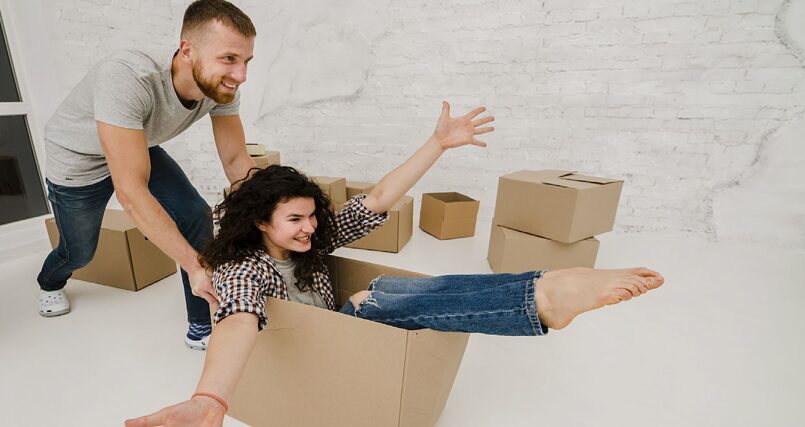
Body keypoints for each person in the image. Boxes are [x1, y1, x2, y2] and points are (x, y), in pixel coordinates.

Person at [124, 102, 666, 426]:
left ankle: (543, 293)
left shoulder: (311, 242)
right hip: (318, 352)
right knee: (375, 295)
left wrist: (438, 142)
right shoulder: (245, 268)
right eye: (295, 220)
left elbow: (379, 198)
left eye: (312, 216)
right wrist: (210, 398)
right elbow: (239, 316)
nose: (310, 228)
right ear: (261, 223)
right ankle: (542, 297)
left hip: (346, 335)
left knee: (378, 293)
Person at [35, 0, 256, 350]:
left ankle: (201, 325)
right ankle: (49, 283)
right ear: (187, 51)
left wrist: (271, 211)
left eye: (246, 61)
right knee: (79, 253)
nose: (240, 75)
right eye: (229, 59)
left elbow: (235, 160)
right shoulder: (128, 75)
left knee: (195, 213)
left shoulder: (221, 88)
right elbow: (131, 192)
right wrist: (195, 266)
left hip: (134, 141)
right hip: (78, 159)